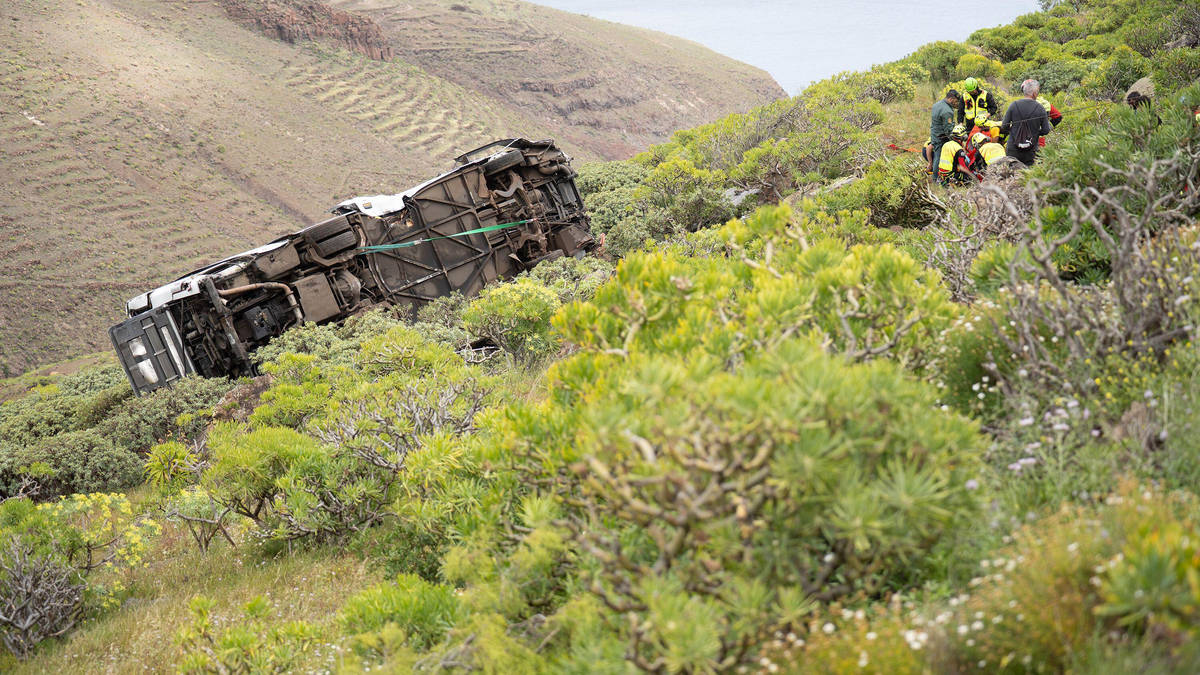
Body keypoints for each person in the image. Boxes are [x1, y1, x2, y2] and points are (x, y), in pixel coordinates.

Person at [1000, 79, 1052, 166]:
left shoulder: (1014, 105)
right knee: (1027, 176)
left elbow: (1004, 126)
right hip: (1030, 151)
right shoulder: (1040, 108)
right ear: (1034, 93)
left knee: (1012, 174)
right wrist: (1035, 133)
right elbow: (1046, 130)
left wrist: (1014, 131)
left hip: (1013, 149)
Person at [930, 89, 961, 180]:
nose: (956, 103)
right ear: (951, 99)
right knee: (938, 157)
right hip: (941, 138)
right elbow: (949, 129)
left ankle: (937, 177)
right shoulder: (947, 111)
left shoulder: (936, 105)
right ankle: (936, 178)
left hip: (934, 134)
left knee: (936, 155)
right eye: (955, 101)